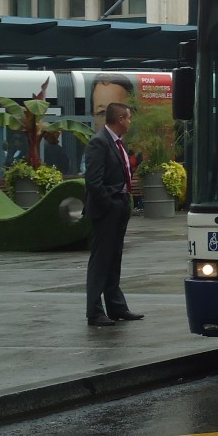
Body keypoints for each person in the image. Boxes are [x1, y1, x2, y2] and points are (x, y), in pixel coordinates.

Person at [83, 101, 144, 328]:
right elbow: (93, 181)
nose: (130, 121)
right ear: (120, 119)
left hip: (120, 205)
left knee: (114, 258)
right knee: (101, 261)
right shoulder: (99, 143)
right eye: (128, 117)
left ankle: (116, 306)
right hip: (107, 209)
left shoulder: (119, 143)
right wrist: (110, 204)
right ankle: (95, 312)